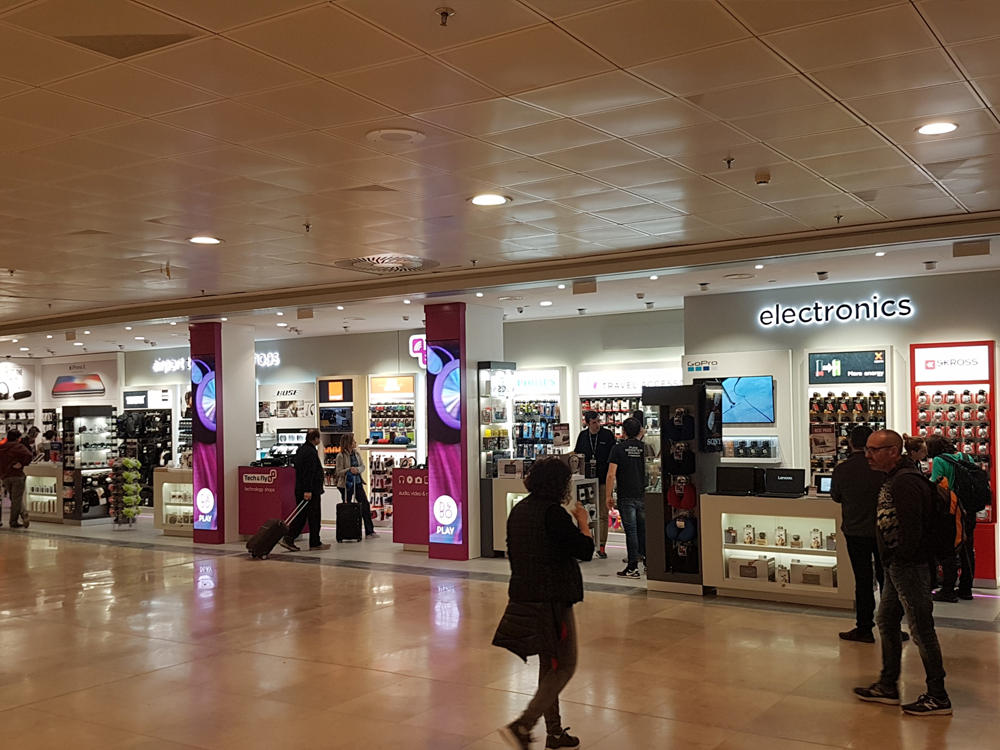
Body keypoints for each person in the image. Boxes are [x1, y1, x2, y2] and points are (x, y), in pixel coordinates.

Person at [495, 457, 593, 750]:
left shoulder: (519, 510)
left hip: (524, 594)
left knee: (549, 664)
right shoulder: (554, 515)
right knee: (565, 665)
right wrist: (584, 523)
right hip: (553, 600)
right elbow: (585, 550)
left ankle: (555, 732)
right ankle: (524, 724)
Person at [854, 429, 951, 716]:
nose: (867, 455)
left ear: (893, 452)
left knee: (921, 629)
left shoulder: (906, 481)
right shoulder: (895, 477)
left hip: (909, 567)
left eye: (874, 450)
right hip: (898, 567)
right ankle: (888, 685)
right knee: (886, 620)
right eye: (867, 449)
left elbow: (912, 529)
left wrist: (900, 560)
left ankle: (938, 696)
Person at [832, 426, 898, 643]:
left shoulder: (842, 469)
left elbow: (836, 496)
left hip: (855, 531)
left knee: (862, 581)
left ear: (850, 442)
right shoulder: (882, 467)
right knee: (888, 581)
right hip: (883, 532)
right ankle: (891, 627)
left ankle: (864, 628)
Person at [927, 436, 976, 602]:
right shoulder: (966, 456)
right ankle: (966, 588)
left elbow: (938, 485)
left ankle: (948, 588)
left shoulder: (939, 460)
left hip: (951, 511)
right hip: (969, 509)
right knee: (967, 548)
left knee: (949, 548)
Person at [607, 417, 646, 579]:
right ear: (639, 431)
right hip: (643, 493)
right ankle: (648, 564)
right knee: (643, 530)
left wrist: (608, 495)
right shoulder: (645, 448)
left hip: (626, 495)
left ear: (623, 431)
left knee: (631, 532)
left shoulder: (618, 449)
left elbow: (611, 474)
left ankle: (632, 567)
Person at [573, 411, 616, 559]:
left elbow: (613, 458)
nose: (597, 425)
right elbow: (578, 455)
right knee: (585, 512)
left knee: (603, 514)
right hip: (586, 481)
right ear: (587, 423)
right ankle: (586, 543)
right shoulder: (583, 436)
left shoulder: (607, 435)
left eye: (598, 421)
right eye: (594, 422)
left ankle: (601, 545)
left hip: (603, 479)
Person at [280, 429, 329, 552]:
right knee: (314, 517)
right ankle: (313, 542)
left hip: (300, 488)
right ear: (315, 439)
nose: (319, 440)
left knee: (302, 516)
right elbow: (309, 472)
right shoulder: (311, 453)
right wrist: (308, 490)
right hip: (310, 491)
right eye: (319, 438)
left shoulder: (301, 450)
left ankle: (290, 538)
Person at [335, 433, 377, 539]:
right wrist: (349, 470)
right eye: (353, 441)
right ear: (348, 443)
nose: (355, 442)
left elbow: (362, 466)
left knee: (365, 505)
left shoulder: (357, 454)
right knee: (348, 508)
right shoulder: (340, 456)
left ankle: (369, 531)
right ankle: (348, 532)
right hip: (346, 485)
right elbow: (339, 472)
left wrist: (357, 470)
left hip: (358, 483)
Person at [0, 430, 34, 529]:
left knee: (14, 498)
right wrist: (22, 463)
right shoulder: (19, 447)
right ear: (17, 438)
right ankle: (15, 520)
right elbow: (29, 455)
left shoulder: (1, 447)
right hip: (17, 475)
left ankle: (22, 514)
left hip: (5, 477)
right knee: (16, 499)